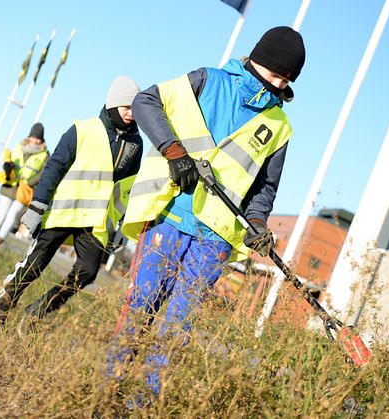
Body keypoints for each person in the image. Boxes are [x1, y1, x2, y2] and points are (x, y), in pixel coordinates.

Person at [107, 26, 306, 396]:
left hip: (215, 237)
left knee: (176, 327)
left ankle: (144, 402)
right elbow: (145, 101)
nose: (281, 84)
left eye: (288, 78)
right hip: (168, 215)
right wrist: (173, 150)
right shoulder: (207, 80)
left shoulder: (280, 126)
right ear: (260, 61)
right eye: (278, 74)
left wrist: (258, 223)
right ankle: (109, 390)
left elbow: (265, 188)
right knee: (139, 308)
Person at [0, 76, 143, 341]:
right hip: (63, 211)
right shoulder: (83, 129)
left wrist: (117, 226)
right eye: (126, 107)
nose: (131, 113)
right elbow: (55, 166)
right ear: (113, 103)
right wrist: (37, 206)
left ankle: (37, 312)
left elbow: (125, 189)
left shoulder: (136, 144)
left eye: (135, 108)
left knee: (88, 272)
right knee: (33, 266)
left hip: (96, 222)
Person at [0, 123, 49, 247]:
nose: (35, 140)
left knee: (13, 215)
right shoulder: (18, 147)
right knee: (0, 212)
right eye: (34, 137)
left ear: (41, 140)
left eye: (38, 138)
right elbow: (9, 161)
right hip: (10, 185)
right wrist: (7, 167)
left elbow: (43, 173)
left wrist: (29, 183)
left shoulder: (45, 155)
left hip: (26, 189)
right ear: (29, 136)